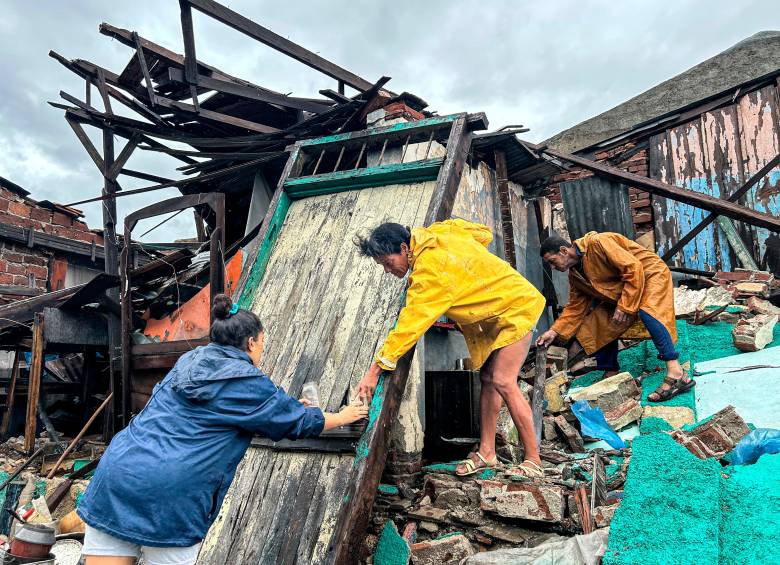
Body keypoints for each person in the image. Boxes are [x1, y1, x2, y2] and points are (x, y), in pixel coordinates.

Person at [78, 294, 367, 565]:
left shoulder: (188, 361)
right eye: (263, 344)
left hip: (117, 475)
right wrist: (343, 416)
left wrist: (284, 409)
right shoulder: (246, 379)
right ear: (252, 343)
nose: (261, 351)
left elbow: (218, 414)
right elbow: (298, 422)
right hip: (170, 497)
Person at [353, 219, 546, 478]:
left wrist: (374, 371)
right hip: (501, 310)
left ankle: (534, 459)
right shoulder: (441, 232)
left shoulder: (429, 273)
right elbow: (484, 234)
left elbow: (408, 327)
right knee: (488, 378)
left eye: (388, 263)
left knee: (503, 380)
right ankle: (487, 452)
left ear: (403, 247)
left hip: (517, 308)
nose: (388, 270)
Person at [536, 232, 694, 401]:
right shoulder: (575, 276)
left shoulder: (598, 243)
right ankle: (611, 372)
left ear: (563, 251)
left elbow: (633, 268)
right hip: (624, 286)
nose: (552, 268)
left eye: (552, 261)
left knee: (649, 312)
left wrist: (625, 305)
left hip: (650, 273)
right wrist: (554, 331)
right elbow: (575, 308)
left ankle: (676, 373)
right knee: (601, 321)